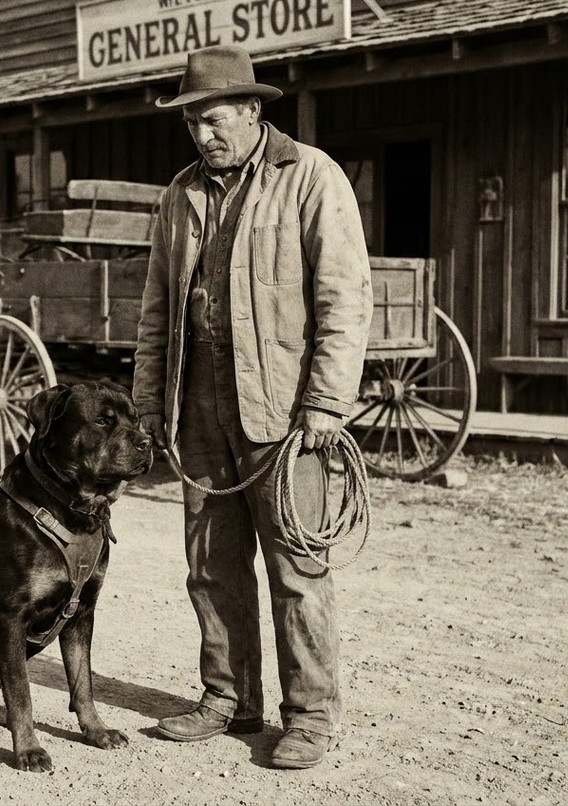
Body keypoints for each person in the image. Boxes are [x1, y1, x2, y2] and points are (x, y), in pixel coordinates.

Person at [132, 44, 373, 770]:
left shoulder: (311, 177)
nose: (203, 135)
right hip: (197, 403)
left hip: (286, 408)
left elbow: (344, 298)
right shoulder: (179, 196)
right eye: (192, 124)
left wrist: (327, 404)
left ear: (251, 110)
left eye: (212, 120)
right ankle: (228, 699)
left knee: (297, 566)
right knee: (210, 564)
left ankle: (310, 716)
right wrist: (150, 404)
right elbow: (155, 314)